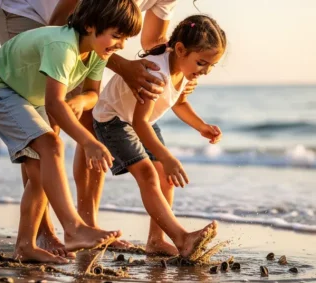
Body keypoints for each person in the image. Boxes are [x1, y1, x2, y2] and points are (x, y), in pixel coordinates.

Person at [0, 0, 199, 255]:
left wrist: (177, 70)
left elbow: (154, 39)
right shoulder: (75, 33)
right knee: (46, 128)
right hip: (30, 12)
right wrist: (122, 66)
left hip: (89, 32)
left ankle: (87, 226)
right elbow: (61, 25)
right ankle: (43, 232)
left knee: (91, 118)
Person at [0, 0, 144, 263]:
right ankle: (73, 228)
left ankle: (25, 245)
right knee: (51, 146)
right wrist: (88, 142)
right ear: (89, 25)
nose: (120, 45)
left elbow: (92, 95)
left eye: (126, 38)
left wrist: (80, 101)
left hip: (25, 96)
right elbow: (54, 103)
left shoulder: (98, 52)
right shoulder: (62, 46)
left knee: (42, 170)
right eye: (117, 36)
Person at [92, 14, 227, 258]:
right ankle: (182, 238)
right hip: (113, 120)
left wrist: (201, 126)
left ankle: (156, 240)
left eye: (210, 66)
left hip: (141, 120)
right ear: (180, 49)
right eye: (201, 63)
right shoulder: (157, 72)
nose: (205, 71)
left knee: (166, 178)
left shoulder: (183, 71)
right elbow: (138, 123)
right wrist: (166, 157)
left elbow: (180, 103)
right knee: (148, 174)